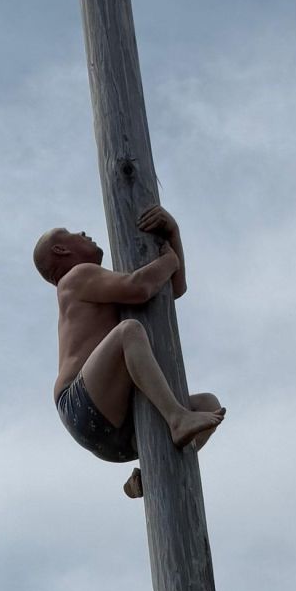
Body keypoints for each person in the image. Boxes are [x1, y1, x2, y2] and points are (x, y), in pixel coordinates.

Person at [34, 206, 224, 500]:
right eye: (74, 234)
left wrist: (172, 234)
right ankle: (176, 418)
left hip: (114, 431)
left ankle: (149, 477)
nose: (84, 233)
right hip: (80, 402)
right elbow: (140, 287)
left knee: (209, 405)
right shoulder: (76, 277)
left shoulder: (97, 284)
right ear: (61, 249)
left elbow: (171, 290)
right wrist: (169, 259)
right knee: (128, 331)